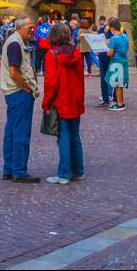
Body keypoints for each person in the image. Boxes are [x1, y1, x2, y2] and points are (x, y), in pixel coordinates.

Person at [42, 23, 85, 184]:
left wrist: (46, 104)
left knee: (64, 138)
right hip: (75, 100)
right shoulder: (76, 53)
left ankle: (64, 174)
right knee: (75, 137)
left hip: (61, 100)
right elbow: (80, 79)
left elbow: (51, 83)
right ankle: (78, 171)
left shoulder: (51, 55)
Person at [1, 17, 39, 182]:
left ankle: (9, 169)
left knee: (11, 131)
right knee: (21, 133)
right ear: (21, 28)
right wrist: (28, 88)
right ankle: (19, 171)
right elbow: (14, 72)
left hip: (13, 93)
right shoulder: (15, 43)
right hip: (19, 93)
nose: (32, 30)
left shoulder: (14, 42)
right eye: (30, 27)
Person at [105, 20, 129, 111]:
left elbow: (110, 53)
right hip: (124, 61)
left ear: (112, 28)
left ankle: (119, 104)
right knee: (121, 84)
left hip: (116, 62)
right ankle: (121, 102)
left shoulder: (114, 38)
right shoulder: (125, 37)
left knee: (117, 84)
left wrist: (107, 50)